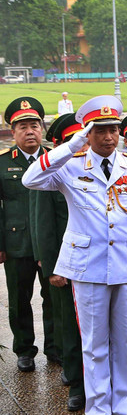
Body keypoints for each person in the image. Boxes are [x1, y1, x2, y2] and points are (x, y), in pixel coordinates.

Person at [23, 95, 127, 415]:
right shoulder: (70, 165)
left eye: (114, 129)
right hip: (88, 266)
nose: (109, 137)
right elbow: (30, 179)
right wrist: (69, 147)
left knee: (125, 340)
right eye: (100, 131)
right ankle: (97, 409)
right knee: (94, 341)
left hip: (126, 263)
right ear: (88, 133)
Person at [2, 97, 58, 375]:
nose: (29, 131)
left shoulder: (54, 160)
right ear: (13, 132)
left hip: (49, 244)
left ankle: (56, 347)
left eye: (34, 125)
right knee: (19, 299)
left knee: (54, 297)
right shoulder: (3, 164)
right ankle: (24, 350)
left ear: (43, 129)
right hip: (18, 244)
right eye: (22, 127)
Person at [32, 114, 84, 412]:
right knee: (71, 326)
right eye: (72, 143)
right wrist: (52, 268)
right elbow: (44, 225)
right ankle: (76, 383)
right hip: (68, 265)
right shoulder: (53, 175)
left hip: (99, 264)